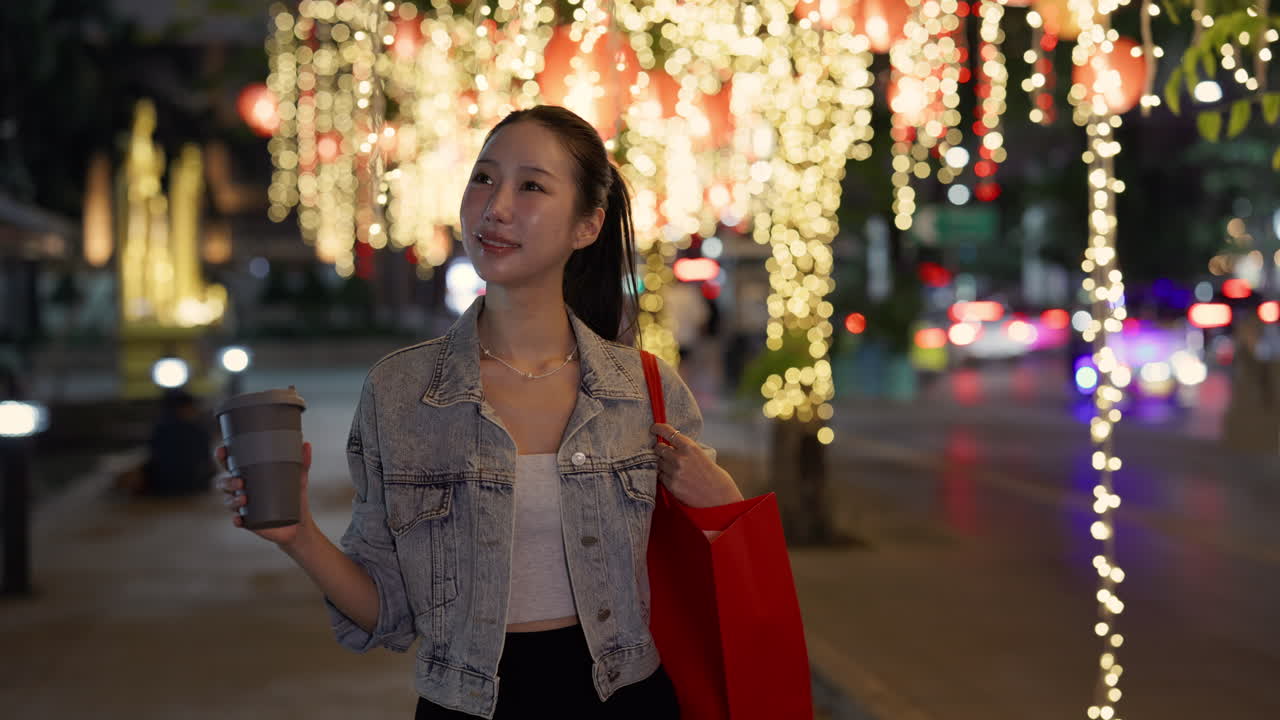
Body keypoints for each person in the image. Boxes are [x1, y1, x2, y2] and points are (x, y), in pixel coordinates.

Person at [217, 105, 744, 719]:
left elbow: (718, 583)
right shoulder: (400, 391)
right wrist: (296, 534)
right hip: (466, 708)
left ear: (587, 225)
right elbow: (387, 615)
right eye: (484, 178)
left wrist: (725, 501)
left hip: (626, 701)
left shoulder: (642, 389)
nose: (495, 207)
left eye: (532, 186)